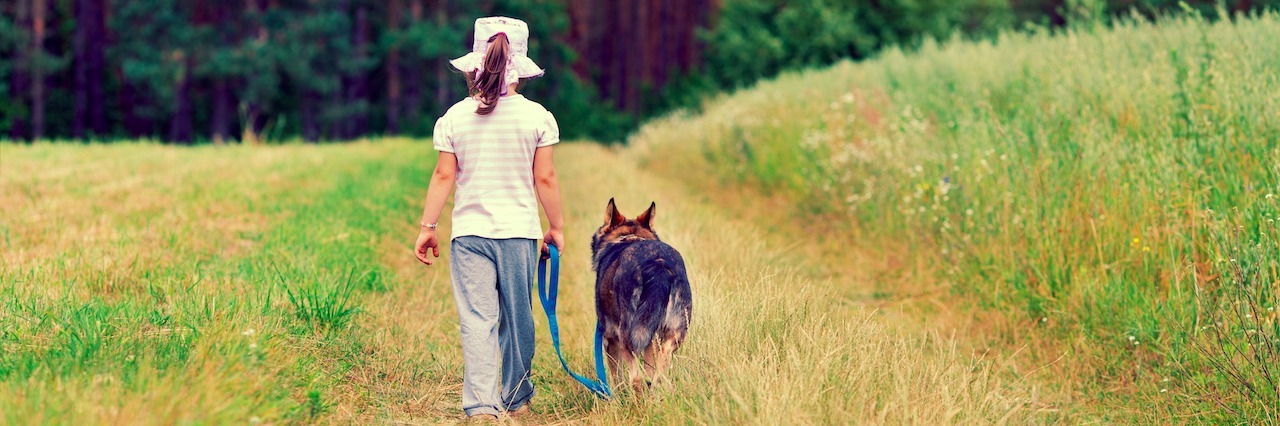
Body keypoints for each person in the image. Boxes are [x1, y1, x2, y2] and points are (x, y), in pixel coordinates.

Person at [412, 16, 564, 421]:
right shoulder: (537, 117)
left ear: (475, 63)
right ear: (521, 66)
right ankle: (516, 397)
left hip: (470, 236)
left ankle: (481, 405)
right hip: (518, 235)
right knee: (518, 320)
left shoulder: (454, 117)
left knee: (477, 320)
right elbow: (544, 177)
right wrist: (557, 227)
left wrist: (428, 229)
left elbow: (444, 175)